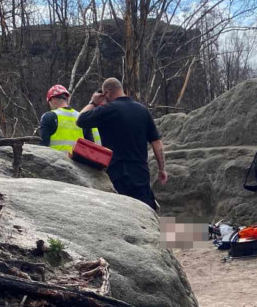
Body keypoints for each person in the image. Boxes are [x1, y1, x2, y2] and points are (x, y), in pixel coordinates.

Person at [77, 78, 168, 210]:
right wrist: (162, 169)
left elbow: (80, 120)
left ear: (107, 93)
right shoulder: (142, 110)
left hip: (116, 174)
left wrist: (93, 102)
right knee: (145, 213)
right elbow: (157, 142)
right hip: (140, 174)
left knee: (122, 212)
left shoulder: (108, 110)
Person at [39, 84, 100, 152]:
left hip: (55, 161)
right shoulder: (82, 117)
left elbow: (43, 147)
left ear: (53, 100)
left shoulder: (49, 117)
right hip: (77, 162)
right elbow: (90, 146)